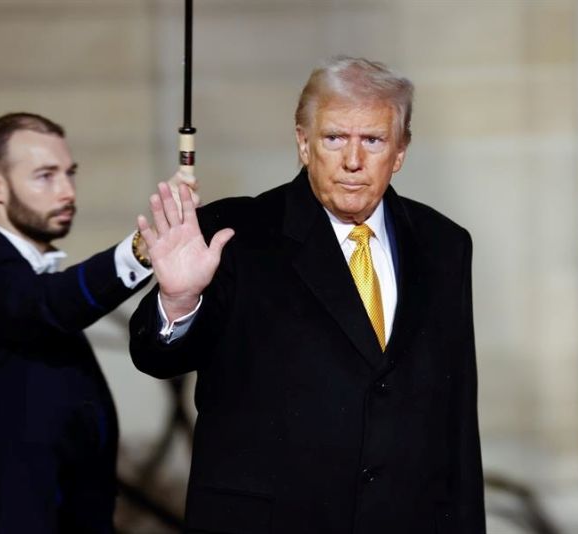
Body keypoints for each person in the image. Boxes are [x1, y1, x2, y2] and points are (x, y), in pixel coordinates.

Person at [130, 57, 486, 533]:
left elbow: (457, 420)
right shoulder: (235, 235)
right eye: (334, 138)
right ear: (303, 142)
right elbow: (156, 356)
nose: (353, 160)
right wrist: (177, 303)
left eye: (373, 141)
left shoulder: (444, 244)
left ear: (400, 151)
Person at [0, 112, 194, 533]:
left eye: (70, 173)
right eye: (45, 176)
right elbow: (55, 303)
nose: (67, 192)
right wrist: (142, 250)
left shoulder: (23, 273)